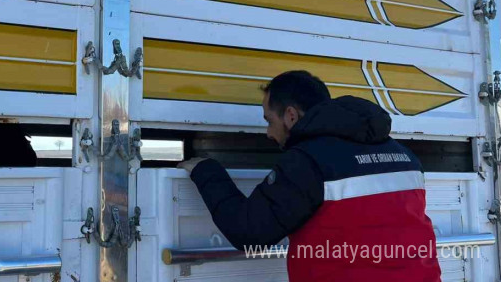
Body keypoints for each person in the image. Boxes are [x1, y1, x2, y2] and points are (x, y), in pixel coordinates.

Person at [178, 70, 440, 281]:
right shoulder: (404, 155)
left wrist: (205, 170)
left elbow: (248, 230)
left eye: (269, 120)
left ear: (291, 115)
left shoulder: (308, 161)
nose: (268, 132)